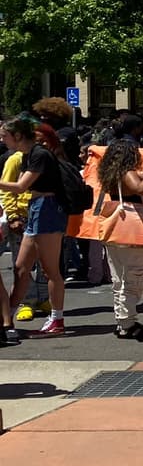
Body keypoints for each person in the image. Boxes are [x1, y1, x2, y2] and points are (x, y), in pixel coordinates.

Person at [0, 119, 68, 335]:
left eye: (4, 135)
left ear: (18, 136)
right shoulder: (28, 155)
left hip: (48, 209)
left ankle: (57, 318)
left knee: (50, 270)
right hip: (37, 207)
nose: (2, 140)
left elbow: (20, 186)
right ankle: (7, 317)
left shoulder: (39, 154)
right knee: (21, 268)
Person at [96, 138, 143, 339]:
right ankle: (128, 323)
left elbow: (138, 183)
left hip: (117, 231)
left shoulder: (114, 173)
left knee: (119, 278)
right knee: (134, 277)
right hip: (132, 232)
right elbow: (140, 189)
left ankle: (123, 321)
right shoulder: (126, 172)